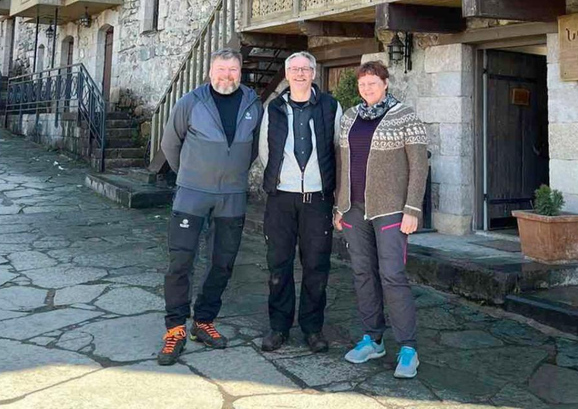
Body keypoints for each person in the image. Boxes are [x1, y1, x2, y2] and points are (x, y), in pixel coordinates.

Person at [157, 47, 263, 366]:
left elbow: (255, 147)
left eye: (233, 70)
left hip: (232, 196)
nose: (226, 75)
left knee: (223, 262)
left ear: (240, 72)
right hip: (192, 195)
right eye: (221, 69)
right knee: (181, 262)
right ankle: (175, 327)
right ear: (210, 71)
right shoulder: (190, 102)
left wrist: (232, 174)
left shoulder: (252, 104)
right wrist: (190, 175)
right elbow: (169, 144)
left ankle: (204, 321)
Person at [334, 60, 428, 379]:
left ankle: (408, 348)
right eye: (362, 83)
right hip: (353, 209)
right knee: (362, 273)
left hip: (391, 210)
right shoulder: (349, 117)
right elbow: (342, 164)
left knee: (392, 275)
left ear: (385, 83)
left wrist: (413, 209)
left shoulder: (405, 116)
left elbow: (419, 166)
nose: (367, 88)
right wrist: (339, 207)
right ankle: (373, 338)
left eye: (373, 82)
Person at [258, 51, 342, 353]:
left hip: (317, 201)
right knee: (278, 265)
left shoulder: (332, 106)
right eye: (293, 69)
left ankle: (312, 329)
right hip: (282, 199)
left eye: (305, 69)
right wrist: (283, 179)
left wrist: (333, 193)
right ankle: (279, 327)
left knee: (316, 267)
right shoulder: (275, 107)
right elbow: (266, 150)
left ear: (314, 73)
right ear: (286, 73)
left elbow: (336, 150)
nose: (299, 73)